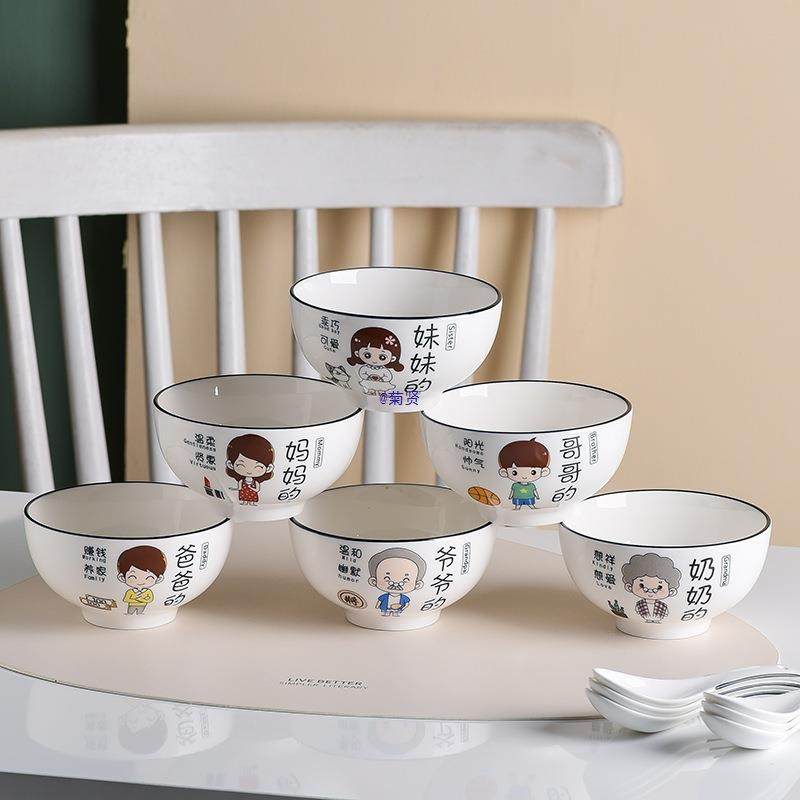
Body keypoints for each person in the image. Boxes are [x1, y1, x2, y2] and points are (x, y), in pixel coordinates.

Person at [621, 552, 682, 623]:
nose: (650, 591)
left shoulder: (663, 606)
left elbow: (666, 614)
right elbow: (637, 611)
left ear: (671, 592)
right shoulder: (639, 604)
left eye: (659, 587)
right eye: (641, 585)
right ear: (629, 587)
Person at [367, 547, 426, 616]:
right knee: (385, 613)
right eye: (387, 578)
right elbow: (379, 602)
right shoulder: (384, 596)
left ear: (417, 585)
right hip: (385, 609)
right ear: (373, 581)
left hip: (398, 610)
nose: (395, 584)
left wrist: (403, 608)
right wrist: (377, 607)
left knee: (396, 614)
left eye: (405, 580)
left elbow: (407, 604)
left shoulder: (404, 598)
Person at [347, 327, 405, 395]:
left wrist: (381, 378)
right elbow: (362, 373)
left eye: (382, 357)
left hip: (381, 384)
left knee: (381, 390)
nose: (374, 361)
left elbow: (388, 377)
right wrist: (369, 376)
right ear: (357, 353)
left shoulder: (384, 370)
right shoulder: (365, 368)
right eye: (367, 355)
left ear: (393, 358)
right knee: (369, 389)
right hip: (368, 382)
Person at [497, 438, 551, 510]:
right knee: (518, 505)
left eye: (533, 472)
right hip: (517, 498)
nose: (524, 476)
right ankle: (517, 510)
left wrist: (537, 496)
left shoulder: (531, 485)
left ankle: (533, 509)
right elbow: (512, 491)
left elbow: (534, 491)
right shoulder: (515, 485)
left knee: (531, 504)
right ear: (504, 472)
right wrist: (510, 496)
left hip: (529, 497)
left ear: (544, 471)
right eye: (514, 472)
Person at [225, 433, 275, 505]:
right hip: (239, 498)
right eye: (241, 465)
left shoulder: (255, 482)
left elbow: (257, 489)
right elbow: (239, 488)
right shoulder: (241, 481)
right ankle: (244, 502)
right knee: (244, 500)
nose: (249, 471)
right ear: (230, 465)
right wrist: (233, 489)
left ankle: (252, 503)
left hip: (252, 494)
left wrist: (252, 489)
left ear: (269, 468)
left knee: (252, 501)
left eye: (258, 466)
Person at [117, 546, 167, 615]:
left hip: (142, 605)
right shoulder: (130, 592)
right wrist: (135, 598)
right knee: (130, 612)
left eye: (148, 577)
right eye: (133, 577)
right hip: (131, 605)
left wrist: (143, 598)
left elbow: (150, 599)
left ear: (159, 579)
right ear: (122, 578)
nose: (141, 582)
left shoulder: (148, 592)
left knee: (140, 612)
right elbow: (126, 599)